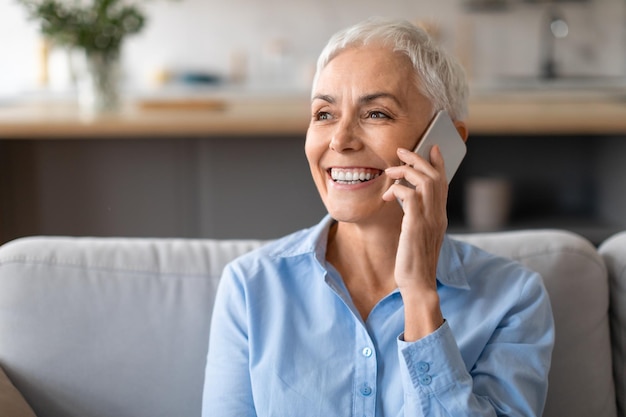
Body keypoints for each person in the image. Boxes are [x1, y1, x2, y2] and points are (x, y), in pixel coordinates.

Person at [202, 17, 554, 417]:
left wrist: (420, 294)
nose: (340, 140)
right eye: (323, 114)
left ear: (445, 143)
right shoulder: (250, 288)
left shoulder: (514, 300)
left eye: (376, 114)